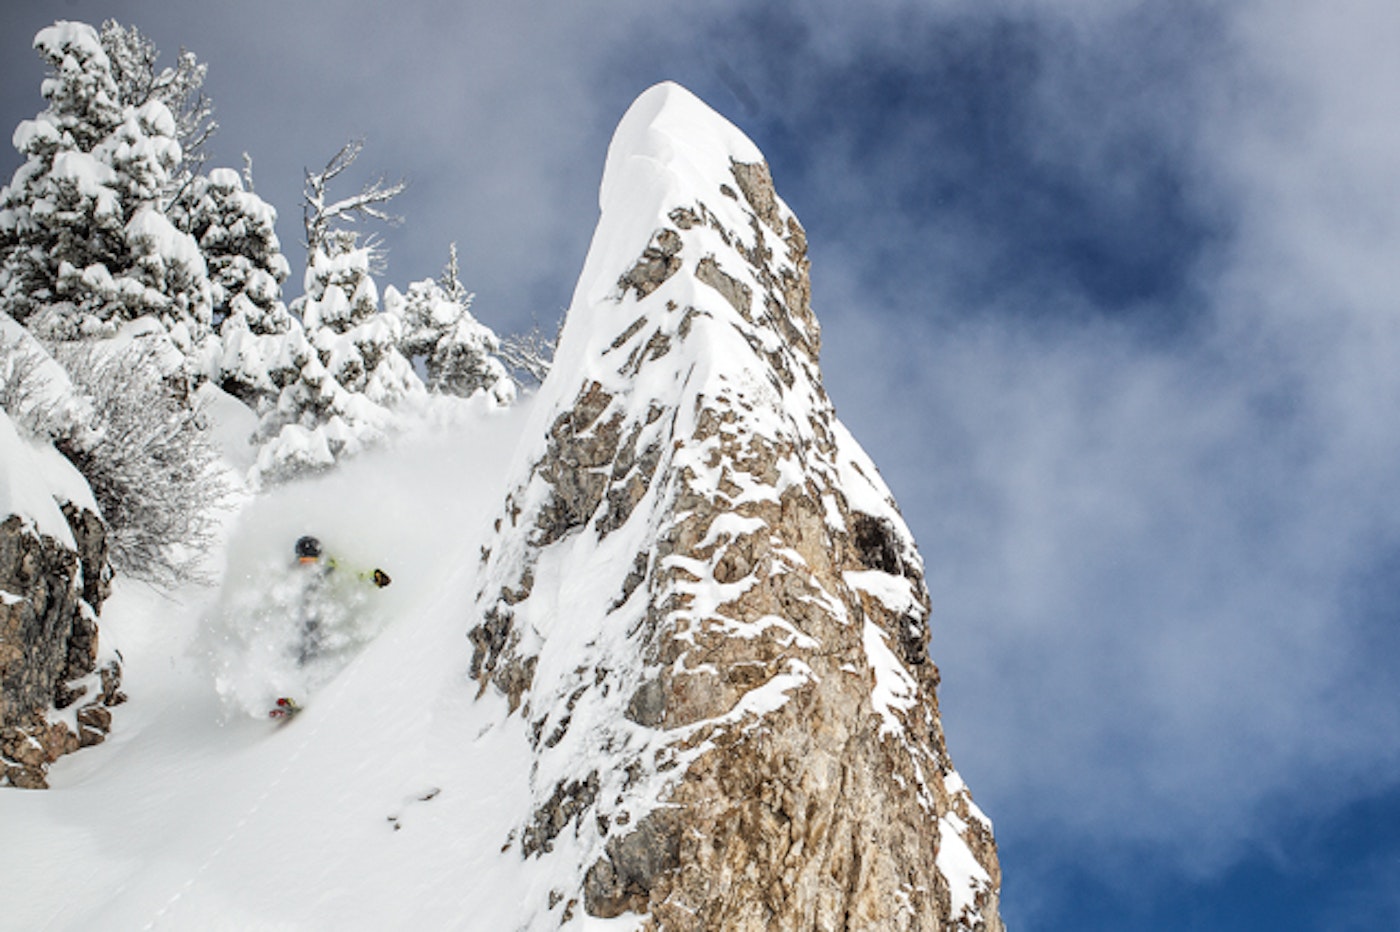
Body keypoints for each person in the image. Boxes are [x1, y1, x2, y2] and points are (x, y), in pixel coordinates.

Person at [292, 535, 390, 665]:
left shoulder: (331, 569)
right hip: (305, 618)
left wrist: (373, 578)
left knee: (314, 632)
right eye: (303, 561)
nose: (307, 565)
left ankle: (317, 661)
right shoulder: (295, 573)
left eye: (310, 560)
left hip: (329, 614)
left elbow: (354, 577)